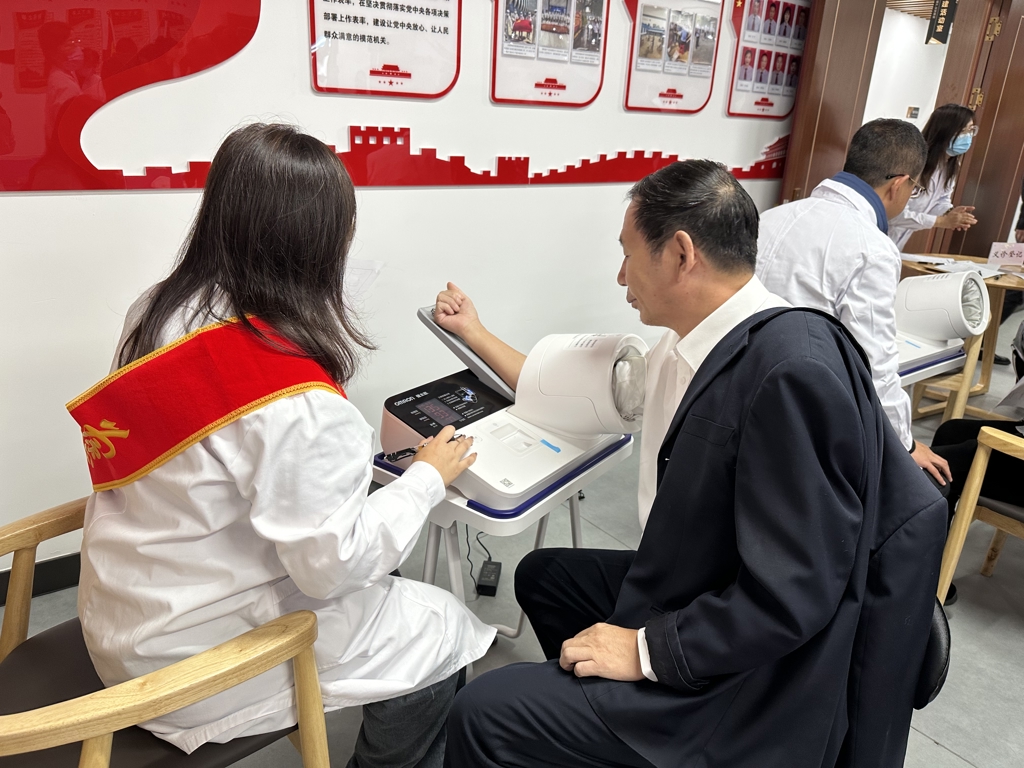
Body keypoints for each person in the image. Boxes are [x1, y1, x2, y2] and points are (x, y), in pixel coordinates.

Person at [439, 160, 946, 768]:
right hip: (711, 582)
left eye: (628, 254)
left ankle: (640, 731)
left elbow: (796, 593)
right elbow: (550, 384)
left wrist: (647, 653)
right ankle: (601, 737)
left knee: (482, 713)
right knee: (546, 577)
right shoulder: (688, 345)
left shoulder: (791, 374)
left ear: (681, 255)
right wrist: (473, 331)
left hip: (761, 676)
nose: (620, 274)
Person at [73, 124, 495, 764]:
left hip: (128, 609)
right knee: (441, 628)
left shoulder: (155, 311)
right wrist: (426, 478)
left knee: (387, 577)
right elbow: (331, 567)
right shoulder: (295, 401)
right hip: (193, 663)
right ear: (319, 249)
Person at [757, 119, 953, 486]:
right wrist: (907, 445)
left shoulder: (771, 217)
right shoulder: (872, 248)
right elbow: (874, 364)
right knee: (928, 488)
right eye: (915, 188)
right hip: (801, 419)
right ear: (899, 185)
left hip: (740, 396)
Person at [887, 104, 979, 250]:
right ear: (944, 131)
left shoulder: (949, 165)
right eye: (963, 131)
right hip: (877, 235)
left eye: (971, 130)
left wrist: (950, 213)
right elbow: (892, 213)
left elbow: (940, 199)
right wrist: (941, 221)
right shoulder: (912, 163)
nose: (968, 137)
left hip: (895, 243)